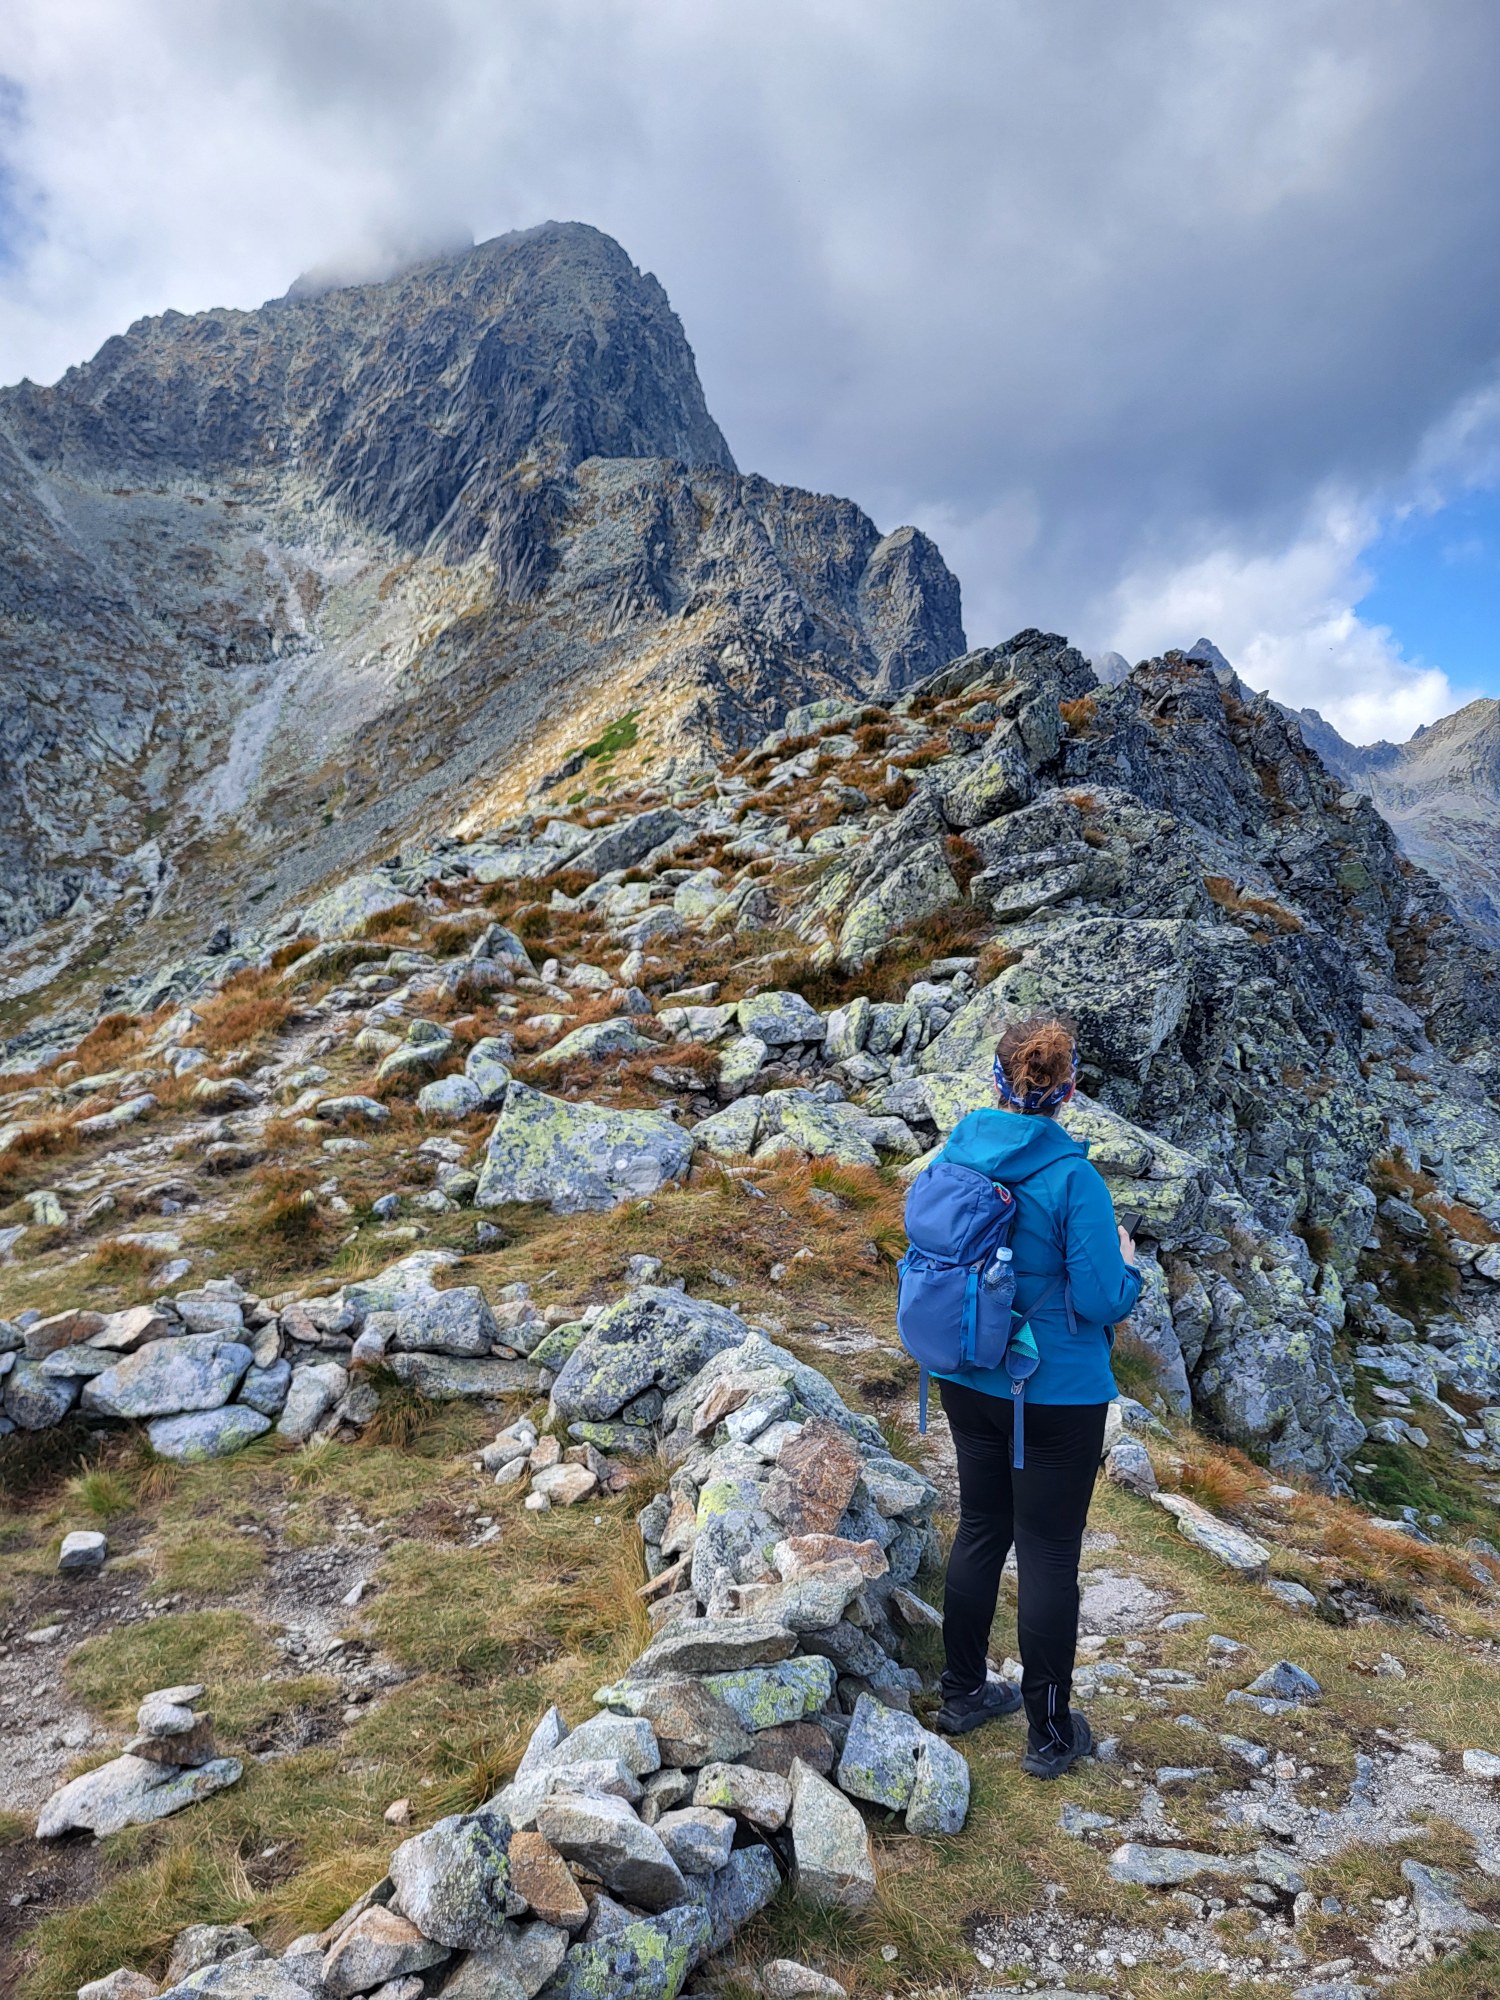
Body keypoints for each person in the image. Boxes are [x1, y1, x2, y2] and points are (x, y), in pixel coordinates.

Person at [930, 1014, 1143, 1777]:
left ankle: (962, 1693)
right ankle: (1050, 1734)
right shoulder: (1074, 1179)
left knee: (980, 1526)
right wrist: (1130, 1267)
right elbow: (1101, 1298)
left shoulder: (957, 1151)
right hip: (1055, 1392)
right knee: (1050, 1552)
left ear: (997, 1081)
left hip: (966, 1372)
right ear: (1069, 1090)